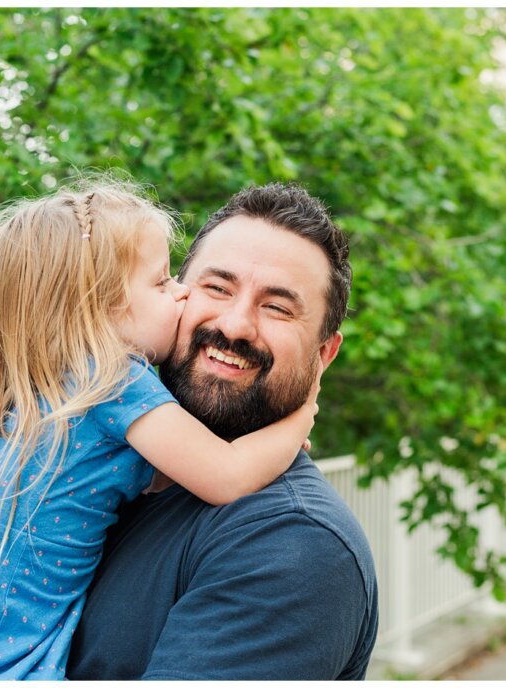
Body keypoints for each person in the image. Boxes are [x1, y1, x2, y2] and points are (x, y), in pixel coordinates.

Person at [0, 178, 322, 680]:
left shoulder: (42, 387)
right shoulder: (115, 382)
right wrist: (303, 412)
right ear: (102, 308)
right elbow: (226, 476)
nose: (184, 294)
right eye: (162, 282)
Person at [67, 183, 379, 680]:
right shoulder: (93, 465)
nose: (235, 326)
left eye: (277, 307)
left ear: (325, 355)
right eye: (217, 288)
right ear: (172, 294)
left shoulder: (292, 547)